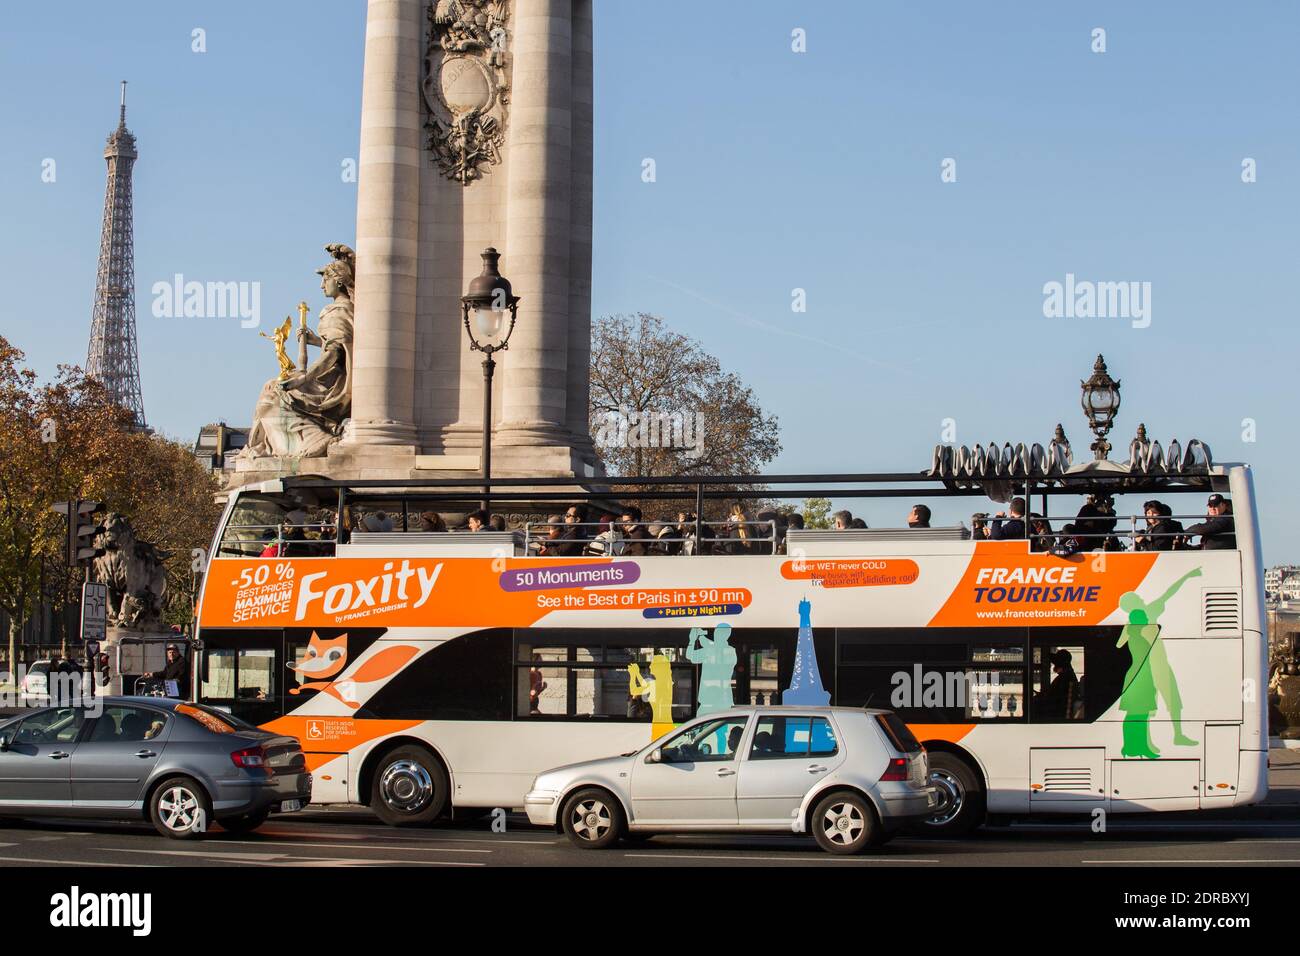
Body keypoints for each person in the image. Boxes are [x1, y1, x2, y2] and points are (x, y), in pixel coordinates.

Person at [1040, 649, 1079, 720]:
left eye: (1055, 663)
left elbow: (1054, 698)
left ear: (1060, 664)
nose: (1053, 665)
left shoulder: (1063, 678)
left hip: (1054, 714)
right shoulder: (1068, 675)